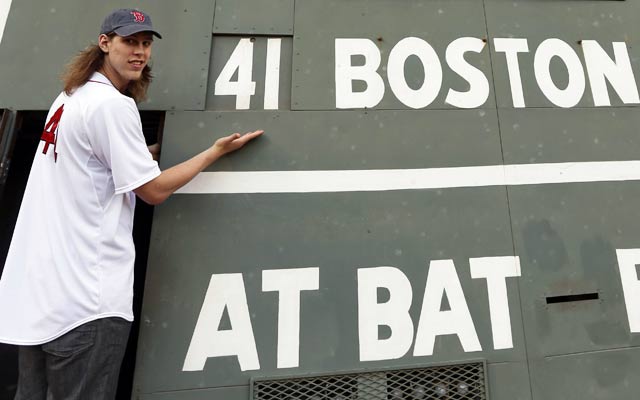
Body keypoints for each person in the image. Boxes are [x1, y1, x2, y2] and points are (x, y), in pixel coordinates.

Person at [0, 8, 263, 400]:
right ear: (105, 43)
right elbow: (153, 191)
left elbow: (107, 163)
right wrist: (213, 152)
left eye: (145, 43)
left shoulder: (71, 96)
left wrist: (165, 151)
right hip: (87, 304)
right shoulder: (112, 105)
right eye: (129, 42)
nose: (139, 52)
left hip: (41, 302)